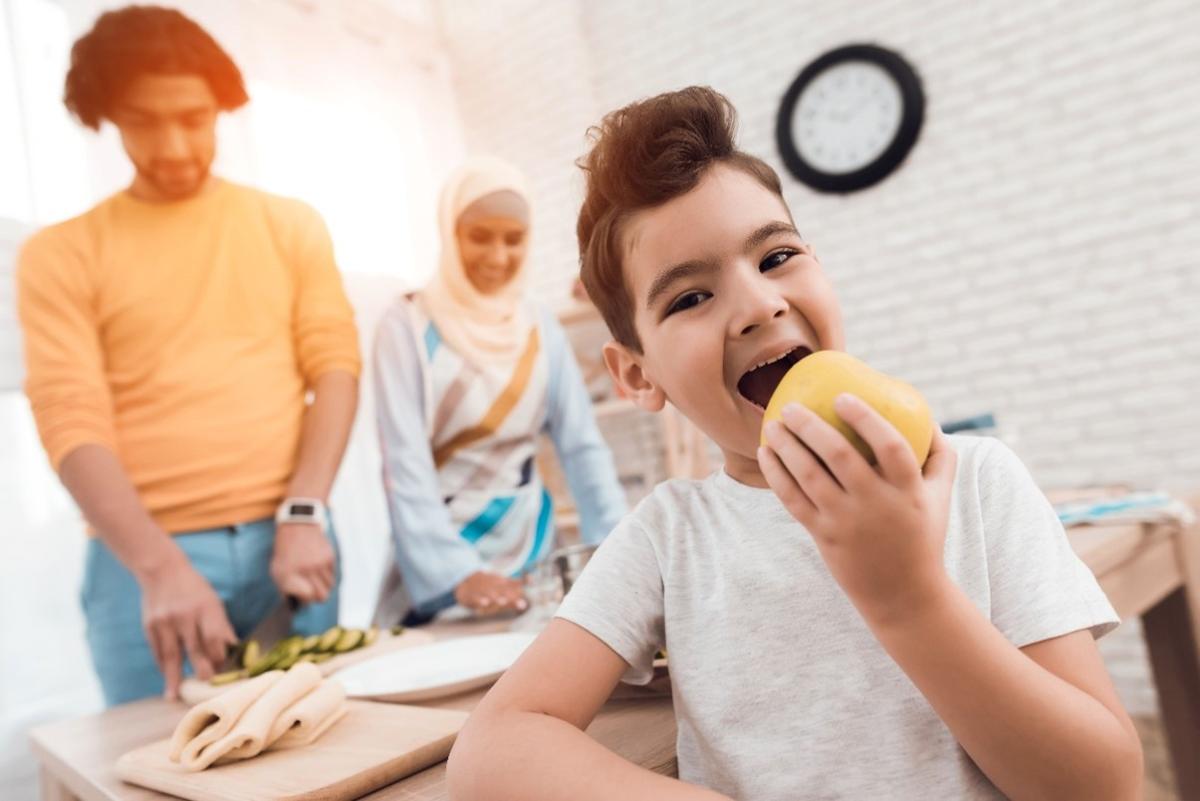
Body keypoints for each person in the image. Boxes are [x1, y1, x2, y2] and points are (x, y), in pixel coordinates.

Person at [446, 88, 1142, 799]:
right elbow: (491, 751)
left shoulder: (975, 480)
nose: (758, 304)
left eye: (776, 256)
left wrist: (908, 597)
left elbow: (1103, 784)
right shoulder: (669, 535)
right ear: (636, 373)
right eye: (689, 297)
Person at [17, 6, 360, 706]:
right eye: (144, 120)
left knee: (317, 748)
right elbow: (68, 418)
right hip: (141, 561)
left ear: (221, 109)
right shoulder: (60, 255)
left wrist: (303, 513)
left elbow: (334, 367)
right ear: (107, 115)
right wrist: (158, 566)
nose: (174, 145)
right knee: (162, 762)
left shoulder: (290, 224)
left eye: (195, 118)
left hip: (291, 539)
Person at [372, 156, 626, 625]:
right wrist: (456, 576)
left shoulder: (539, 327)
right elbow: (404, 466)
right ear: (450, 234)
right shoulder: (404, 325)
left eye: (513, 240)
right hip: (436, 563)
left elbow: (582, 446)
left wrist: (617, 552)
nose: (497, 256)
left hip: (533, 557)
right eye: (480, 236)